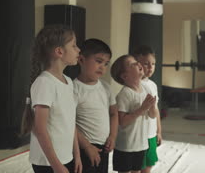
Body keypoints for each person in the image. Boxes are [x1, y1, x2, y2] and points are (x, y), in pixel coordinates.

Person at [21, 25, 82, 173]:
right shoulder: (44, 83)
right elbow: (39, 129)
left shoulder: (68, 81)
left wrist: (77, 154)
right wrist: (56, 165)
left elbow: (69, 122)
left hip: (65, 157)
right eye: (74, 45)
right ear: (59, 52)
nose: (78, 50)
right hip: (47, 162)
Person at [74, 39, 118, 173]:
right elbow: (68, 123)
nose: (102, 67)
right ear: (81, 60)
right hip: (84, 147)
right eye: (98, 61)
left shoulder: (106, 87)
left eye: (106, 64)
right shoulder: (73, 88)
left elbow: (114, 113)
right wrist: (87, 146)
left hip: (104, 146)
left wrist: (112, 136)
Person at [110, 55, 158, 173]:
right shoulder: (124, 94)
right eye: (133, 64)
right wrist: (142, 109)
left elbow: (153, 115)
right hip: (126, 146)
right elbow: (122, 122)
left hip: (141, 144)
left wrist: (151, 106)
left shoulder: (147, 89)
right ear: (125, 76)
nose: (138, 64)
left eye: (137, 62)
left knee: (137, 170)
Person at [132, 46, 162, 173]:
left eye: (153, 64)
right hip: (139, 136)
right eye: (146, 63)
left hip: (151, 134)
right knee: (136, 167)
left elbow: (156, 111)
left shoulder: (152, 85)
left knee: (148, 166)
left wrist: (159, 131)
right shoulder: (133, 85)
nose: (150, 67)